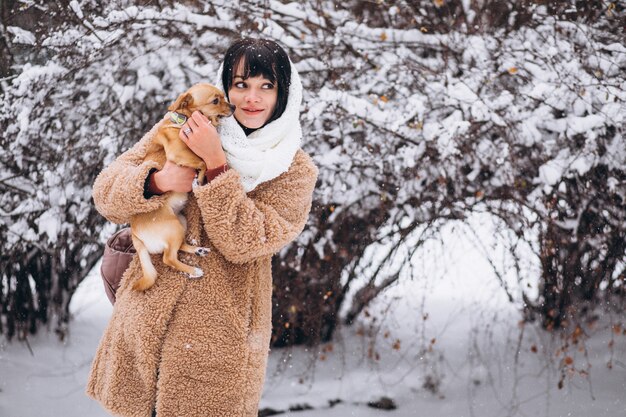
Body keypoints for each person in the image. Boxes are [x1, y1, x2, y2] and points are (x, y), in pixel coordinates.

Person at [86, 38, 318, 417]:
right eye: (240, 84)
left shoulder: (293, 169)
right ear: (225, 87)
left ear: (284, 93)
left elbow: (245, 242)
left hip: (217, 348)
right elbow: (106, 193)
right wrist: (156, 181)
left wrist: (215, 164)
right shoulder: (182, 126)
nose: (251, 98)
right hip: (144, 329)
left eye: (266, 85)